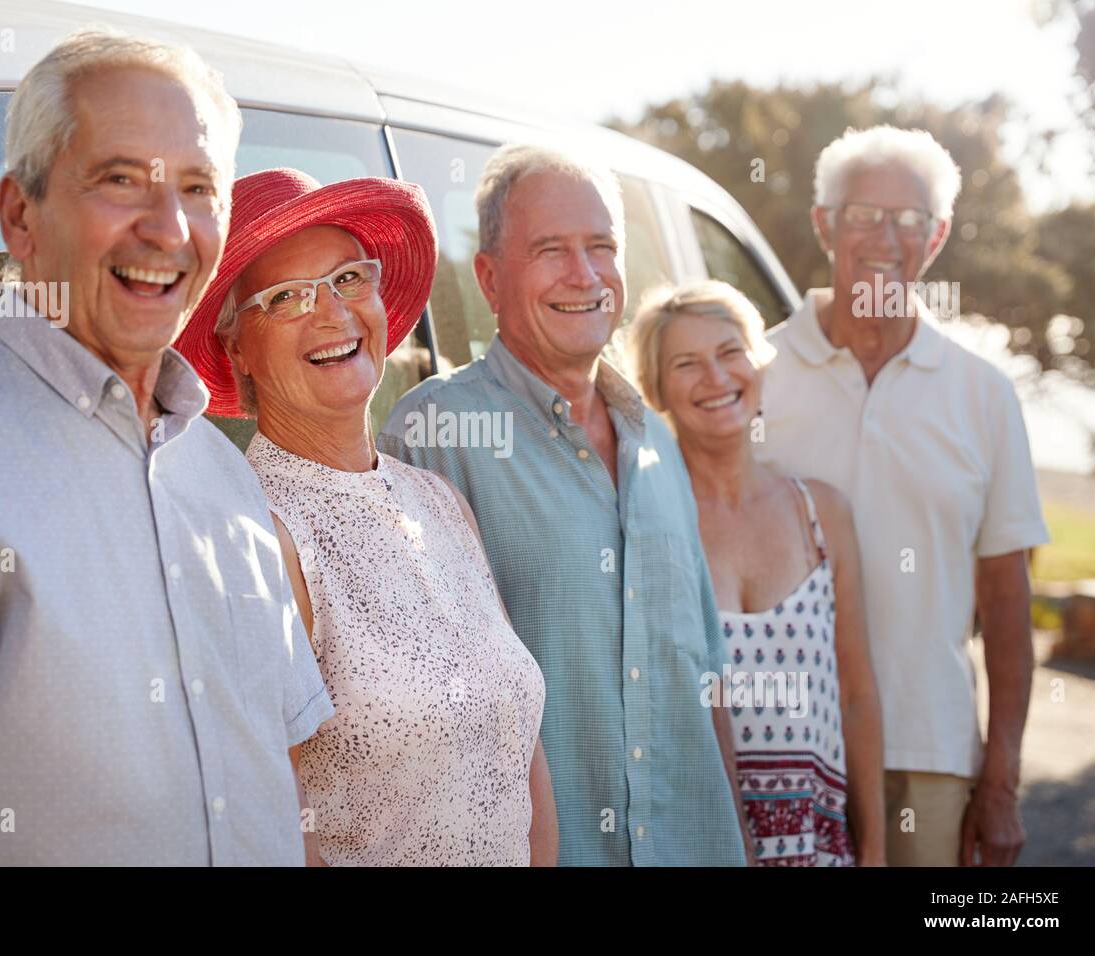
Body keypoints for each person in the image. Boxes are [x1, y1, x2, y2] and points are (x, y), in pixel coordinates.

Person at [0, 30, 331, 866]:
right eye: (121, 179)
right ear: (20, 215)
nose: (168, 229)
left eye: (198, 187)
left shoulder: (225, 478)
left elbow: (277, 794)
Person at [379, 145, 748, 866]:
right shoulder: (431, 437)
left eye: (601, 247)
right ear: (488, 278)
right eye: (551, 249)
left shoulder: (658, 446)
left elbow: (708, 682)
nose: (585, 275)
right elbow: (406, 719)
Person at [174, 168, 555, 866]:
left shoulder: (441, 502)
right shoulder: (256, 535)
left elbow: (522, 752)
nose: (332, 314)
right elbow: (276, 832)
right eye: (286, 297)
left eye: (349, 279)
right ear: (237, 349)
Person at [756, 126, 1049, 867]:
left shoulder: (984, 395)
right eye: (863, 214)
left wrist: (1002, 783)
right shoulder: (755, 371)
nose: (885, 237)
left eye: (909, 219)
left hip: (932, 752)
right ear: (825, 223)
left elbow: (1008, 600)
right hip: (783, 741)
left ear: (938, 236)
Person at [626, 280, 886, 866]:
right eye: (687, 364)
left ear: (758, 365)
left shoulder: (822, 513)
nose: (716, 378)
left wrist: (874, 850)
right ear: (656, 389)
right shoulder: (647, 520)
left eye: (729, 353)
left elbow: (859, 693)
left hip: (817, 845)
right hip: (694, 843)